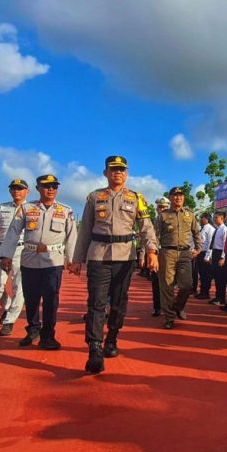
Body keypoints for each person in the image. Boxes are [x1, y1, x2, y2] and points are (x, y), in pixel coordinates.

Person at [69, 156, 158, 373]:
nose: (117, 173)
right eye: (113, 169)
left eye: (121, 170)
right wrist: (77, 259)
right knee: (96, 303)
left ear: (126, 174)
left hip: (124, 258)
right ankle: (94, 348)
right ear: (105, 173)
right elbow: (85, 229)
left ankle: (112, 338)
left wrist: (151, 251)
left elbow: (146, 226)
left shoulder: (136, 198)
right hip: (98, 256)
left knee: (118, 303)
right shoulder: (94, 197)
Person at [0, 175, 77, 351]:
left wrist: (72, 260)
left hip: (54, 260)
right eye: (46, 186)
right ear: (37, 188)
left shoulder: (65, 210)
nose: (50, 189)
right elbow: (13, 232)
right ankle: (33, 330)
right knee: (31, 298)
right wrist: (6, 255)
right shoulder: (26, 209)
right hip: (30, 259)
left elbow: (72, 236)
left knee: (51, 298)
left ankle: (48, 335)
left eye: (54, 186)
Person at [0, 179, 29, 336]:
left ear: (27, 192)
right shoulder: (1, 208)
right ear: (10, 191)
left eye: (20, 189)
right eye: (14, 189)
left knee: (19, 287)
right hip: (1, 248)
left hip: (21, 249)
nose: (17, 191)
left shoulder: (31, 209)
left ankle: (9, 321)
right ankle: (8, 307)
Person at [155, 187, 200, 329]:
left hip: (185, 253)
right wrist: (154, 253)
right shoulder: (162, 216)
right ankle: (169, 317)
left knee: (187, 285)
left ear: (184, 198)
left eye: (180, 195)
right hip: (167, 253)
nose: (178, 198)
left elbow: (196, 232)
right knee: (167, 286)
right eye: (175, 195)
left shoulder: (189, 214)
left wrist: (198, 248)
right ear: (170, 198)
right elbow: (156, 236)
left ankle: (178, 306)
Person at [149, 197, 170, 317]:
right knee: (156, 282)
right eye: (160, 207)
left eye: (164, 207)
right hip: (156, 254)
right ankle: (157, 307)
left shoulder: (172, 220)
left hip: (168, 254)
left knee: (169, 282)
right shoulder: (153, 221)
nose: (161, 209)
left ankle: (168, 306)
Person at [205, 211, 227, 306]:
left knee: (221, 277)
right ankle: (218, 296)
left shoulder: (224, 229)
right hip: (215, 253)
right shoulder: (217, 229)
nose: (214, 219)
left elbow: (225, 245)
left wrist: (222, 257)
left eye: (216, 217)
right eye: (214, 217)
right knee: (216, 277)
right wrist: (211, 256)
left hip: (220, 253)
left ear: (222, 218)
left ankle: (221, 298)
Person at [194, 212, 215, 299]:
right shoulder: (202, 228)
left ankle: (206, 292)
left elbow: (210, 243)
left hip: (205, 253)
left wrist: (207, 256)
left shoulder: (210, 229)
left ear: (206, 219)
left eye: (202, 218)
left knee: (206, 274)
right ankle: (202, 291)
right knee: (202, 274)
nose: (200, 219)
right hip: (200, 252)